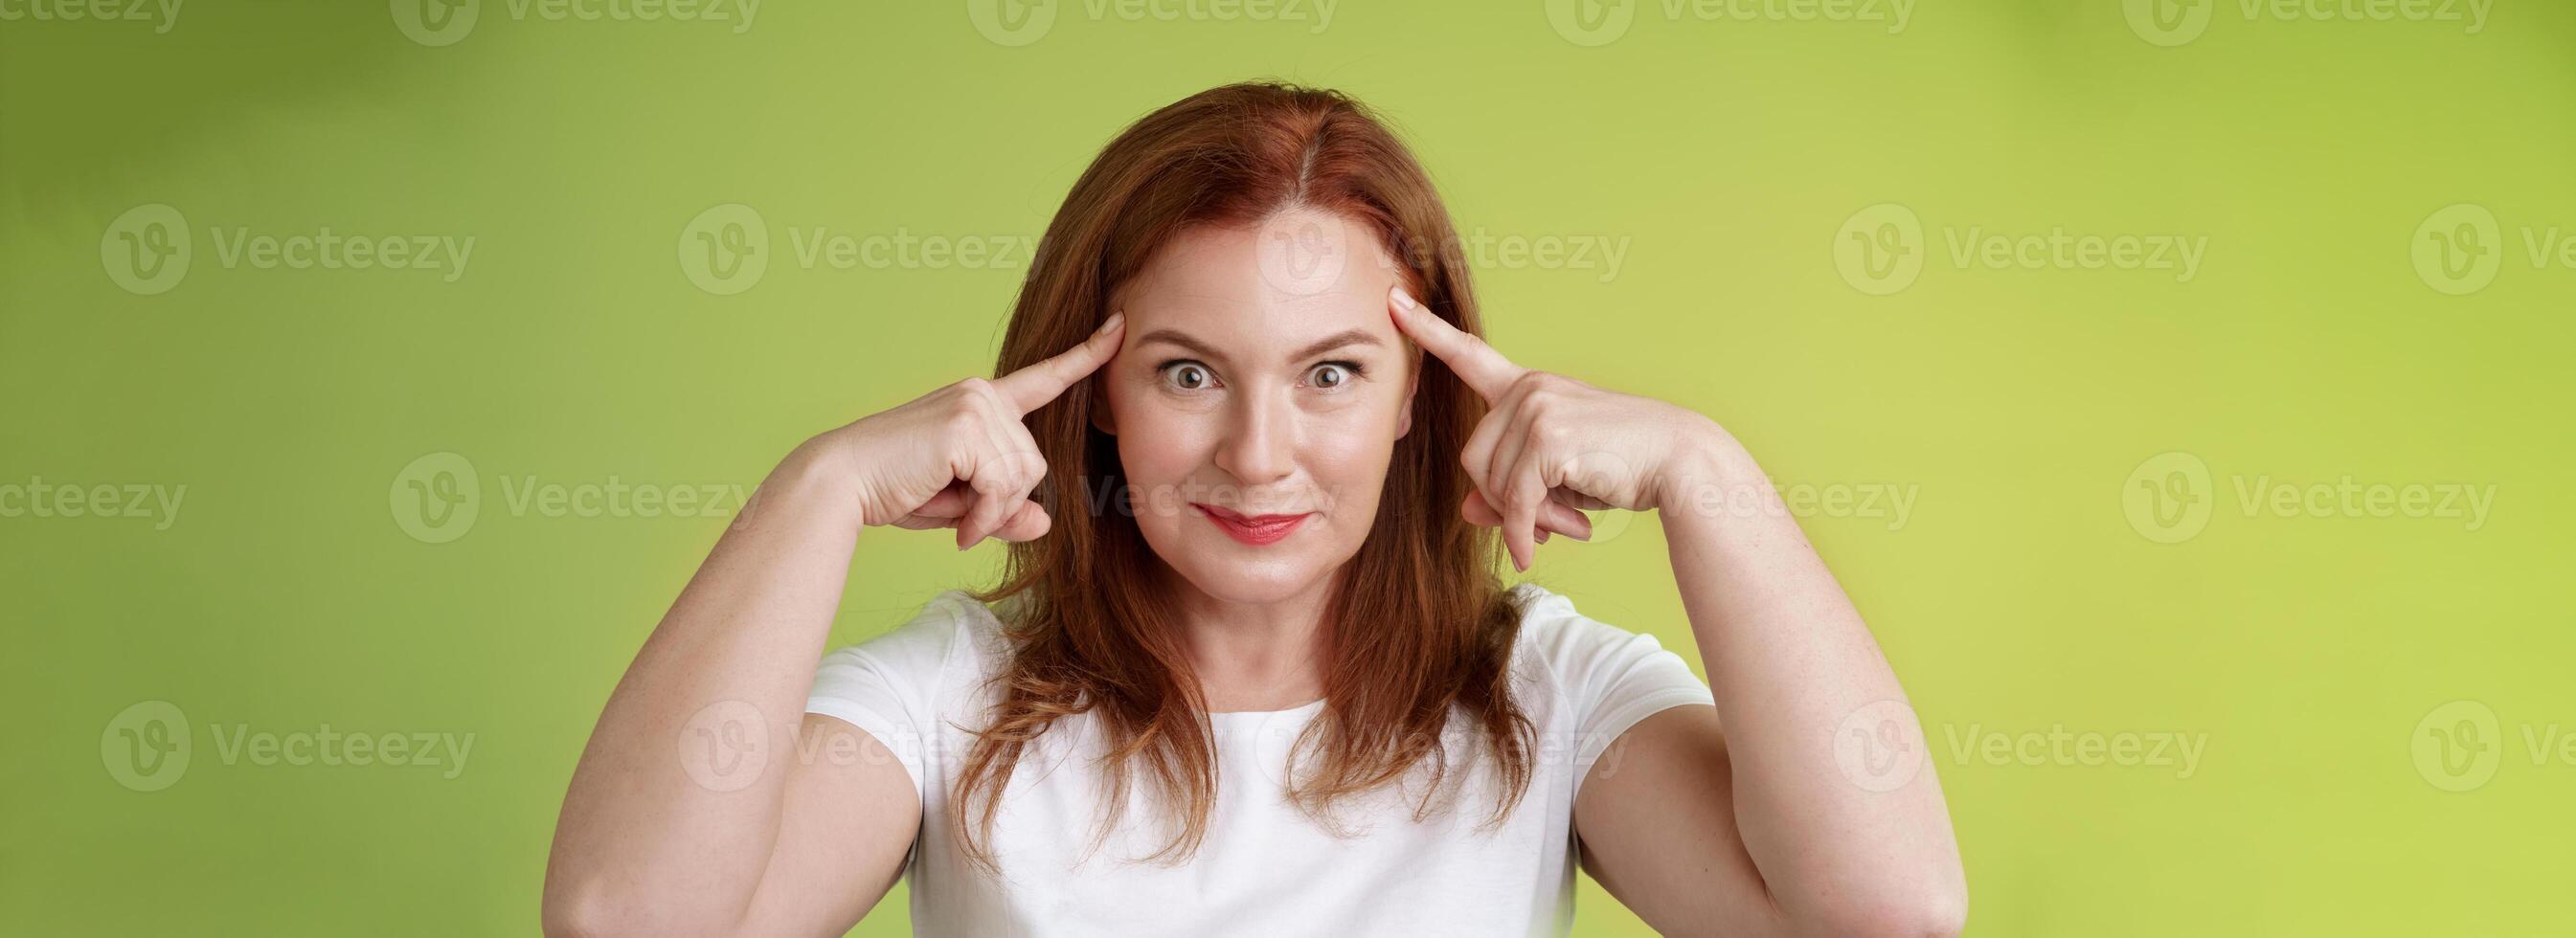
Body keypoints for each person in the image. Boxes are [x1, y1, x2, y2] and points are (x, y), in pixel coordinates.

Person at [542, 81, 1965, 938]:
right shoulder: (953, 702)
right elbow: (627, 922)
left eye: (1332, 372)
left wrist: (1705, 471)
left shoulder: (1548, 695)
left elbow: (1884, 915)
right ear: (1095, 391)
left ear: (1419, 395)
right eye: (1185, 373)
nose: (1259, 454)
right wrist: (820, 488)